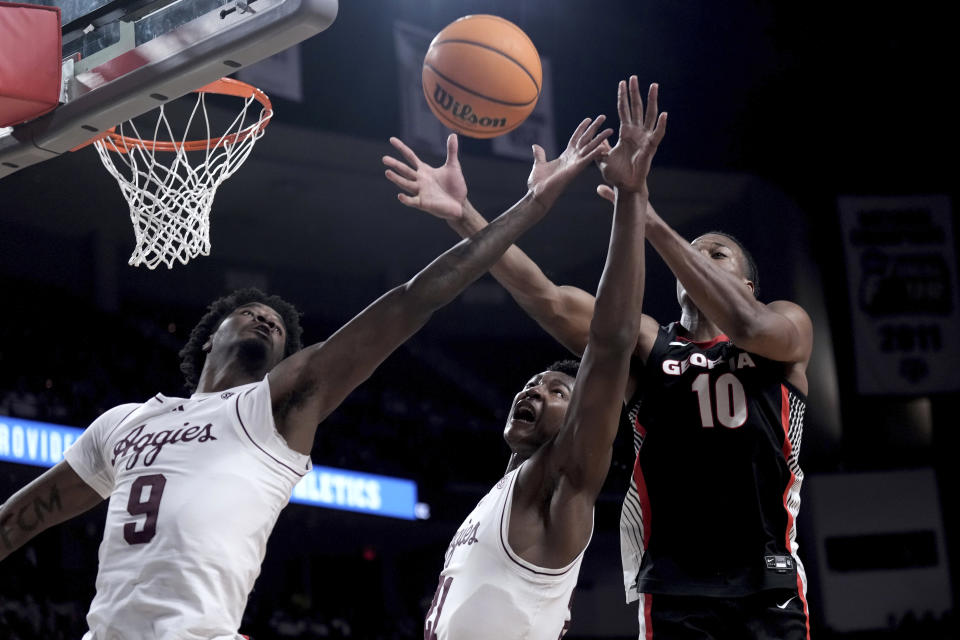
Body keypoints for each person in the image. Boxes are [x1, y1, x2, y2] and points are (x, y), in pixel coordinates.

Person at [0, 114, 613, 639]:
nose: (268, 319)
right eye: (252, 313)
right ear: (209, 335)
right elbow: (24, 516)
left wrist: (529, 206)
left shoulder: (275, 409)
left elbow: (412, 300)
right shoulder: (121, 424)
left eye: (280, 328)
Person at [385, 84, 813, 638]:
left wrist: (645, 211)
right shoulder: (649, 344)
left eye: (716, 254)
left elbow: (750, 326)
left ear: (749, 285)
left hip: (769, 580)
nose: (698, 258)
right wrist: (464, 215)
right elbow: (547, 298)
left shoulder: (784, 323)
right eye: (694, 249)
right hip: (675, 585)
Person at [386, 76, 667, 639]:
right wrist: (462, 214)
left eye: (558, 390)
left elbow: (609, 344)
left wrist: (631, 199)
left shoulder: (564, 473)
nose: (534, 391)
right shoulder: (502, 494)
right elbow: (541, 294)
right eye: (534, 384)